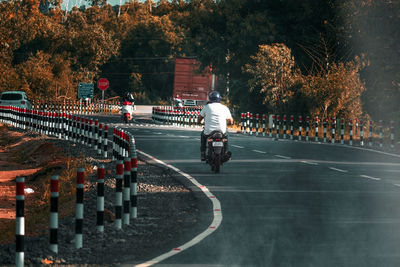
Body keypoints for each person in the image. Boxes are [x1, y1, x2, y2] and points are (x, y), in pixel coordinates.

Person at [197, 91, 233, 161]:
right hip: (221, 131)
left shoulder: (207, 107)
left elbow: (200, 117)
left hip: (209, 131)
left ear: (210, 99)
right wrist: (230, 123)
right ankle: (225, 151)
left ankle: (203, 153)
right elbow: (231, 120)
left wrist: (199, 122)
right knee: (226, 136)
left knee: (203, 135)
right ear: (219, 99)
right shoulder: (224, 107)